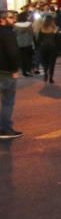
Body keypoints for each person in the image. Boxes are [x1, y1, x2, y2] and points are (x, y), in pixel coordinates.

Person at [0, 11, 21, 139]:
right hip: (6, 72)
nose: (13, 20)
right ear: (2, 20)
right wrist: (14, 69)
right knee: (7, 101)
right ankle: (5, 129)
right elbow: (12, 53)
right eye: (10, 18)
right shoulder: (7, 33)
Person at [37, 15, 59, 84]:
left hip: (43, 47)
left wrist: (38, 46)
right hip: (53, 47)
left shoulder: (41, 28)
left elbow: (39, 40)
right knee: (52, 63)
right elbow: (58, 40)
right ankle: (51, 78)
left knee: (44, 62)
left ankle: (45, 72)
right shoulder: (55, 29)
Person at [12, 13, 33, 77]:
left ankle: (24, 71)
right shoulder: (29, 24)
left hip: (19, 44)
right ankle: (28, 70)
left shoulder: (15, 25)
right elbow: (32, 33)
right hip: (28, 43)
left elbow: (14, 34)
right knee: (28, 58)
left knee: (22, 58)